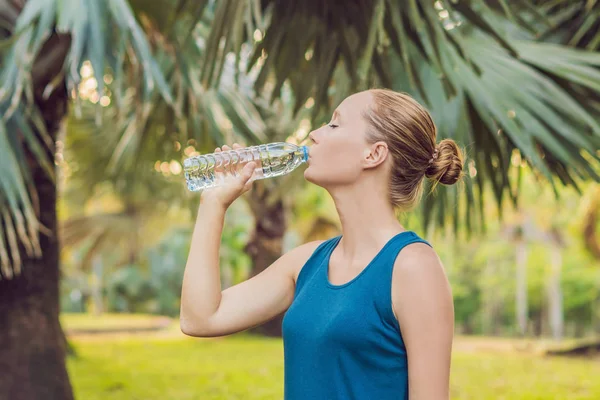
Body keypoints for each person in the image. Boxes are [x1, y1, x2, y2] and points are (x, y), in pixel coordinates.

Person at [180, 88, 463, 400]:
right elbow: (200, 318)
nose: (315, 133)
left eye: (334, 125)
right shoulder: (306, 263)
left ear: (373, 154)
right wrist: (213, 205)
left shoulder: (413, 267)